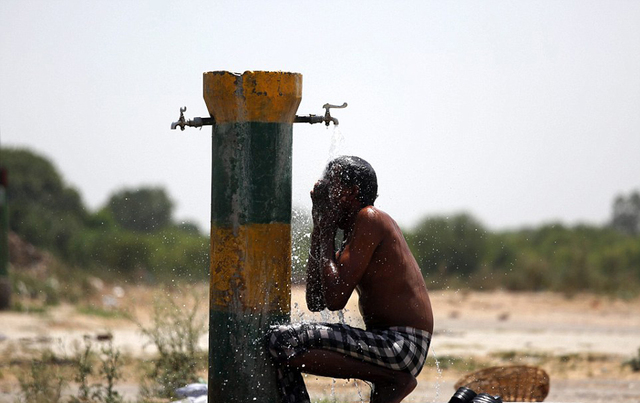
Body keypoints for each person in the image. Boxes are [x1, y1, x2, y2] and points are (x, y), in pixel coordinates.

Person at [267, 156, 434, 403]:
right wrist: (320, 226)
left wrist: (326, 230)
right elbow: (315, 300)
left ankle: (393, 379)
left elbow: (335, 299)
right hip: (385, 343)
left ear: (350, 192)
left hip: (402, 344)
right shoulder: (351, 236)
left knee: (280, 339)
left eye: (331, 185)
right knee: (279, 341)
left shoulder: (370, 218)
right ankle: (388, 377)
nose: (324, 191)